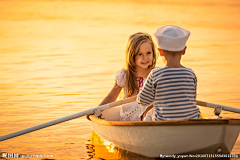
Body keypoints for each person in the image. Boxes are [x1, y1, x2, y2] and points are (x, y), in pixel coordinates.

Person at [137, 25, 200, 121]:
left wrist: (141, 96)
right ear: (184, 50)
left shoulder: (155, 74)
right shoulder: (190, 74)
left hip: (164, 124)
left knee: (149, 114)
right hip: (191, 123)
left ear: (160, 52)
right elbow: (192, 99)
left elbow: (143, 101)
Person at [99, 32, 158, 121]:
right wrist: (97, 110)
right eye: (140, 54)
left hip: (149, 116)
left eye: (148, 53)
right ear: (131, 55)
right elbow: (111, 97)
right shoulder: (125, 75)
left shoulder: (156, 73)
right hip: (129, 116)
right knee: (102, 114)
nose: (145, 58)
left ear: (153, 52)